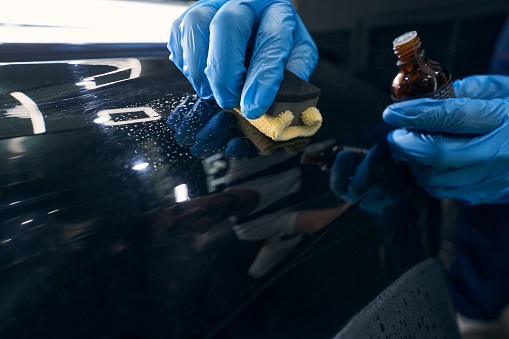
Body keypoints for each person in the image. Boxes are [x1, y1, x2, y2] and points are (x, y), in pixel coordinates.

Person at [167, 0, 509, 336]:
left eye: (188, 211)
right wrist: (366, 199)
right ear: (206, 227)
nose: (200, 211)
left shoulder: (238, 173)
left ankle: (478, 307)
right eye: (193, 221)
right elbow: (314, 214)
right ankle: (476, 305)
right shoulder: (250, 226)